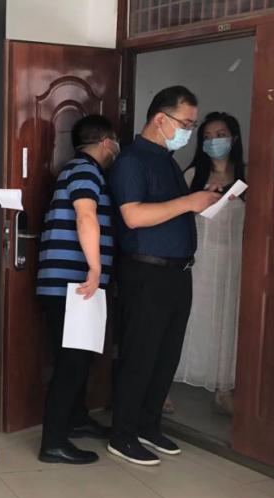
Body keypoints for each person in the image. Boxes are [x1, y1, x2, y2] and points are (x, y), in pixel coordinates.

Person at [107, 86, 222, 466]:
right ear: (161, 119)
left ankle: (148, 425)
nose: (190, 131)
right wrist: (189, 202)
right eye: (186, 123)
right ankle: (123, 434)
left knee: (165, 355)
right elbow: (133, 216)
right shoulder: (132, 160)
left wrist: (199, 200)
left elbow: (171, 211)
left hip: (177, 272)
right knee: (140, 355)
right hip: (146, 272)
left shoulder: (168, 161)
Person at [35, 115, 119, 465]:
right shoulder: (85, 171)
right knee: (71, 362)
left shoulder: (78, 169)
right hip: (74, 284)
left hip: (70, 284)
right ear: (106, 142)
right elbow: (86, 216)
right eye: (114, 142)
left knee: (80, 358)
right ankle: (53, 442)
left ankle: (77, 418)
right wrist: (96, 268)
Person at [172, 112, 246, 415]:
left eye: (221, 135)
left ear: (234, 138)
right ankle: (165, 385)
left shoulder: (248, 177)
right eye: (208, 137)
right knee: (189, 319)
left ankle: (223, 389)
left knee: (227, 322)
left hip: (234, 261)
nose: (214, 141)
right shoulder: (192, 176)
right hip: (199, 260)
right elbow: (175, 215)